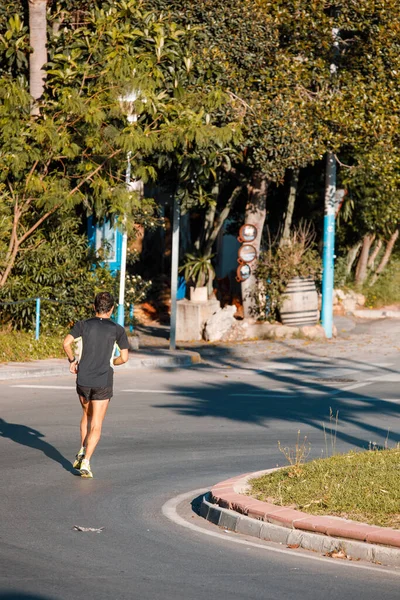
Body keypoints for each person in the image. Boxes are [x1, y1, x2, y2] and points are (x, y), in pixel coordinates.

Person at [63, 291, 129, 478]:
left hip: (83, 379)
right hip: (103, 381)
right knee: (97, 424)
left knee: (86, 415)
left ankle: (82, 449)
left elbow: (66, 343)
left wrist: (72, 360)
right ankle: (86, 461)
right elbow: (123, 358)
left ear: (94, 307)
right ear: (112, 309)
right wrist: (112, 362)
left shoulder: (83, 325)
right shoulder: (117, 330)